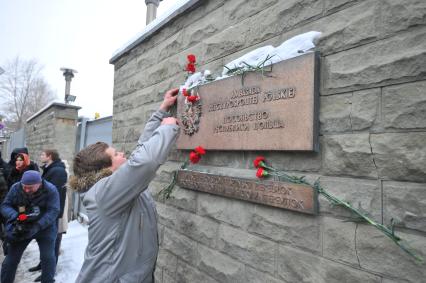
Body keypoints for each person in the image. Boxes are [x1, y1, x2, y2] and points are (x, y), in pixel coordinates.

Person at [69, 88, 179, 283]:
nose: (121, 153)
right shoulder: (104, 194)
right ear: (107, 169)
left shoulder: (115, 187)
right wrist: (167, 128)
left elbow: (141, 150)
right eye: (115, 154)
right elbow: (143, 162)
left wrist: (162, 111)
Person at [0, 170, 59, 283]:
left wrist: (38, 225)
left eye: (30, 187)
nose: (26, 190)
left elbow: (54, 211)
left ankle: (48, 281)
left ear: (39, 183)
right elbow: (5, 205)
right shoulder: (16, 188)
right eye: (24, 187)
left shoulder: (51, 190)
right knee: (10, 260)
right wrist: (15, 216)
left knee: (47, 258)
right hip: (22, 227)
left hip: (45, 227)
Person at [29, 149, 68, 281]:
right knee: (46, 242)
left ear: (49, 156)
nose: (40, 156)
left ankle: (49, 272)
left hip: (53, 213)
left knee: (53, 242)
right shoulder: (50, 168)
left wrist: (54, 214)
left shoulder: (57, 171)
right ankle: (43, 266)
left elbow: (55, 195)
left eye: (42, 155)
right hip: (46, 211)